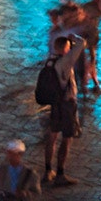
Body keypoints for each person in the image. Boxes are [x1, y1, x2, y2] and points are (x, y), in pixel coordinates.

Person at [37, 38, 79, 187]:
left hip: (55, 104)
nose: (70, 49)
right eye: (68, 47)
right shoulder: (64, 62)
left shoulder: (50, 61)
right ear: (63, 48)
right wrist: (74, 37)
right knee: (67, 138)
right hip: (66, 105)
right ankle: (60, 174)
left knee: (52, 136)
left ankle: (48, 170)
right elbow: (81, 45)